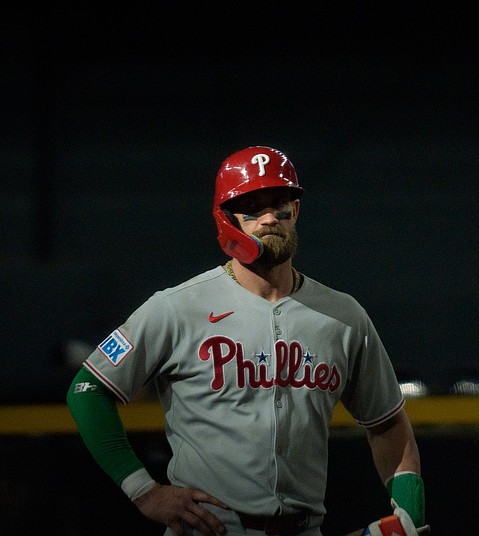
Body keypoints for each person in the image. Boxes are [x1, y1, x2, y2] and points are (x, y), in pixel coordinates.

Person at [66, 146, 427, 536]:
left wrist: (410, 513)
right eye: (252, 207)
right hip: (211, 529)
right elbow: (88, 390)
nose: (270, 217)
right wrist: (143, 490)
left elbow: (388, 423)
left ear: (297, 211)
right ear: (226, 220)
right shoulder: (176, 307)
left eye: (280, 204)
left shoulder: (343, 315)